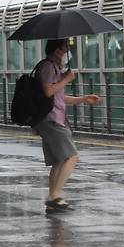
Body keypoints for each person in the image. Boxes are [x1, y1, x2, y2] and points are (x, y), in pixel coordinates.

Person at [35, 39, 100, 214]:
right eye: (65, 48)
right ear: (57, 50)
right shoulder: (48, 67)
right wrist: (67, 79)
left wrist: (83, 98)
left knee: (58, 161)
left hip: (51, 118)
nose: (67, 52)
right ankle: (55, 196)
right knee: (72, 157)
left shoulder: (52, 67)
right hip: (52, 119)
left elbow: (58, 97)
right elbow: (49, 91)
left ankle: (52, 199)